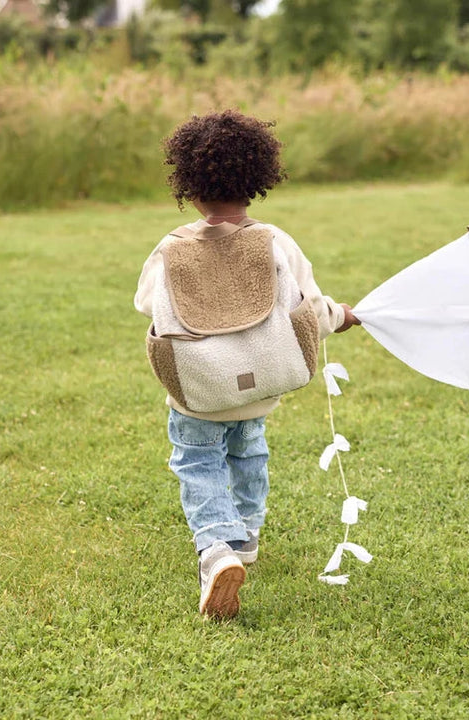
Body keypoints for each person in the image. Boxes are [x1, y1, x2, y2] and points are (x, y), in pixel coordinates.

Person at [134, 110, 360, 619]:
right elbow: (311, 307)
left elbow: (146, 303)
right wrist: (343, 317)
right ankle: (248, 533)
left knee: (197, 461)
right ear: (257, 182)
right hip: (263, 380)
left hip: (197, 387)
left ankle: (217, 549)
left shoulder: (172, 248)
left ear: (189, 187)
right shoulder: (276, 242)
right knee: (249, 448)